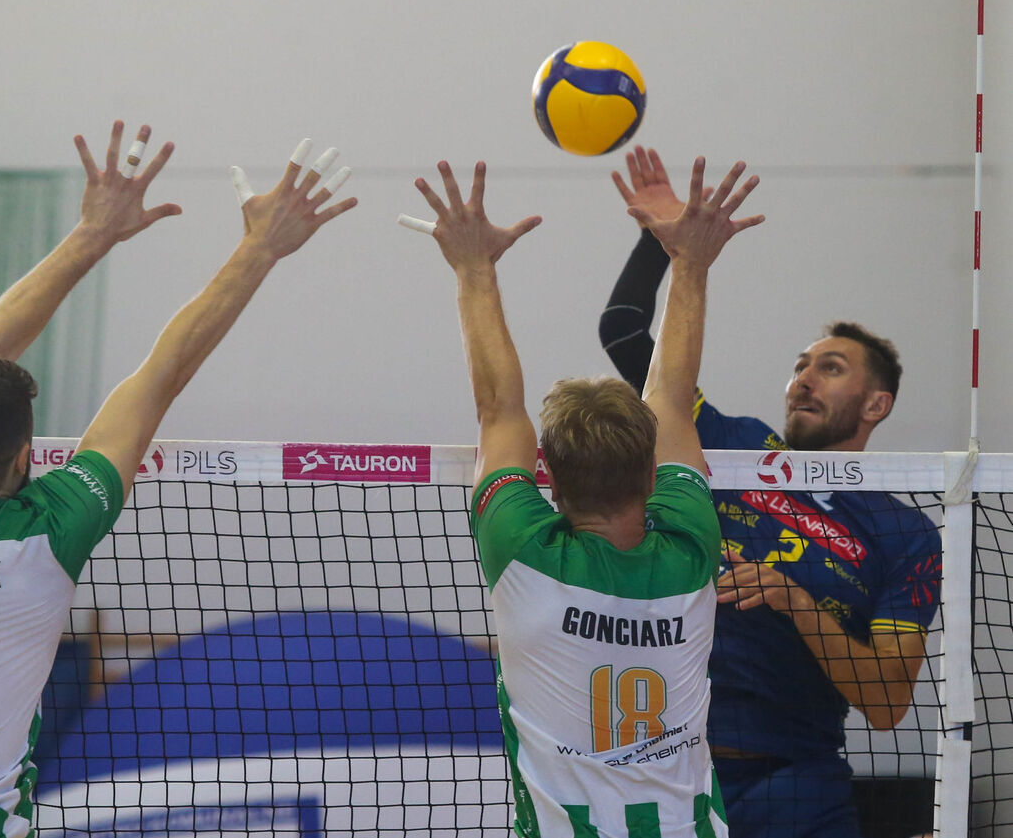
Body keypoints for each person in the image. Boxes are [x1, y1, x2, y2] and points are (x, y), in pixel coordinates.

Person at [0, 123, 356, 838]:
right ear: (26, 459)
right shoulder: (50, 532)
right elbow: (160, 377)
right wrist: (259, 248)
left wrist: (91, 233)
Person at [401, 155, 762, 836]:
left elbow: (497, 409)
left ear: (551, 482)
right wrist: (691, 264)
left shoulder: (523, 552)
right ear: (652, 478)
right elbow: (672, 398)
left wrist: (473, 269)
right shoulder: (690, 549)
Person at [599, 146, 943, 837]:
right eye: (800, 365)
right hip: (670, 770)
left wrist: (799, 604)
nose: (803, 379)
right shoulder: (733, 445)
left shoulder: (905, 533)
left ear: (876, 405)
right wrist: (663, 242)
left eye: (831, 367)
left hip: (797, 784)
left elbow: (885, 704)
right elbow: (624, 332)